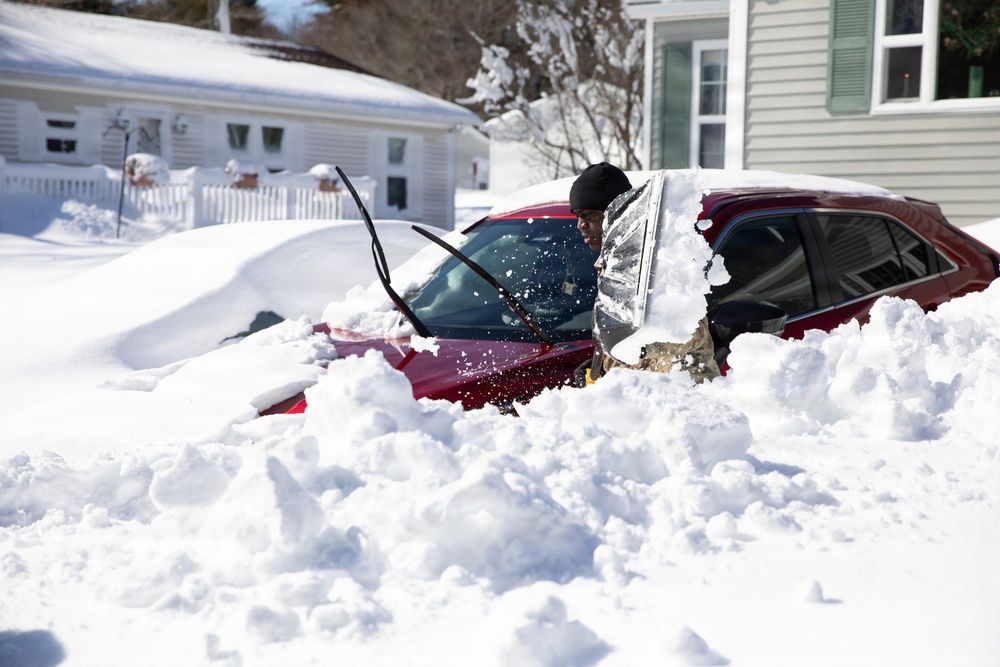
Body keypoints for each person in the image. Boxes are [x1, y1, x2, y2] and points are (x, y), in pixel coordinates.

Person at [569, 162, 720, 385]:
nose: (581, 225)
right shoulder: (613, 263)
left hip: (683, 398)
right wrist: (602, 364)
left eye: (589, 215)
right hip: (640, 399)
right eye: (577, 216)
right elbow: (620, 328)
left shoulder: (661, 260)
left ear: (616, 214)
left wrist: (623, 351)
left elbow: (689, 332)